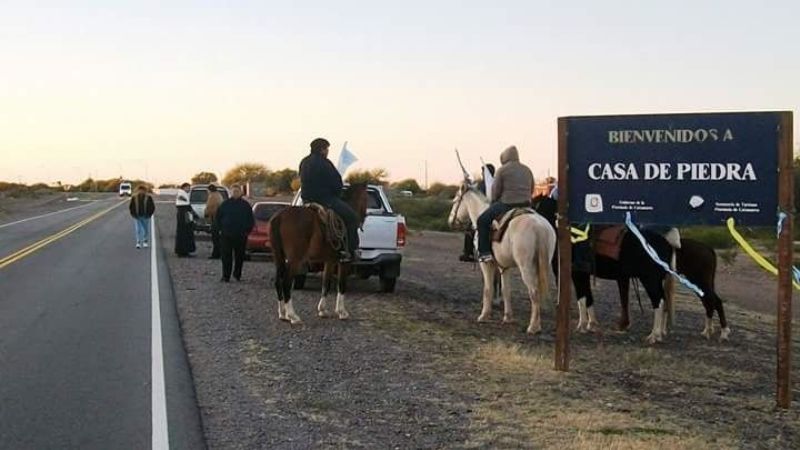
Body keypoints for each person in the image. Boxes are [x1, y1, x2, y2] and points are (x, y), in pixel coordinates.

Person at [299, 137, 360, 262]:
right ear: (322, 149)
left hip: (306, 199)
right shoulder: (325, 163)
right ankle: (349, 251)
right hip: (325, 199)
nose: (327, 152)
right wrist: (337, 194)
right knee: (353, 218)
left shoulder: (304, 162)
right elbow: (337, 184)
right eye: (326, 149)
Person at [477, 146, 534, 263]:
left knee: (482, 220)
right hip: (527, 205)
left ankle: (485, 253)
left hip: (507, 204)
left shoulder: (502, 170)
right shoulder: (527, 169)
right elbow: (532, 188)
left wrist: (493, 201)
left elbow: (496, 191)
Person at [215, 185, 255, 282]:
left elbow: (251, 219)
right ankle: (226, 276)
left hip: (241, 235)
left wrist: (247, 231)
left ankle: (237, 275)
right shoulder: (225, 204)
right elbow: (218, 218)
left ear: (241, 193)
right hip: (226, 235)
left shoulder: (246, 205)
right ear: (231, 193)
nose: (235, 193)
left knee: (240, 256)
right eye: (234, 191)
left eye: (237, 191)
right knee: (226, 256)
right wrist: (219, 229)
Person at [461, 163, 496, 262]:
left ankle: (469, 253)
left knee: (470, 228)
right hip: (494, 209)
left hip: (483, 210)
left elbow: (475, 194)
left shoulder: (483, 184)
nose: (482, 174)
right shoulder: (495, 181)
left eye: (483, 172)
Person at [175, 182, 198, 257]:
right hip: (184, 216)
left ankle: (184, 251)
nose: (189, 189)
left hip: (183, 215)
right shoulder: (182, 194)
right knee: (185, 233)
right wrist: (193, 214)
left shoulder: (182, 194)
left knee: (184, 233)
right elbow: (186, 207)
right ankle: (183, 251)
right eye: (188, 188)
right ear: (184, 187)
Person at [205, 184, 224, 259]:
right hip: (219, 219)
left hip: (215, 218)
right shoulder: (219, 195)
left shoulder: (212, 196)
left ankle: (216, 254)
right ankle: (219, 253)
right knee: (218, 238)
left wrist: (206, 214)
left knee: (215, 238)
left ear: (209, 190)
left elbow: (210, 208)